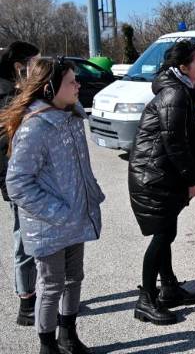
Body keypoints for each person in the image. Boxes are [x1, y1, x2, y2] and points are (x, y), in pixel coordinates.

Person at [3, 57, 104, 354]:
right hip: (49, 225)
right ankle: (47, 346)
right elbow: (18, 183)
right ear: (49, 89)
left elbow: (79, 168)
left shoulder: (71, 117)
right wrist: (58, 213)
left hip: (75, 216)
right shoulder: (35, 128)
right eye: (72, 81)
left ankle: (68, 336)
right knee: (50, 286)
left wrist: (91, 193)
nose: (78, 85)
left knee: (74, 279)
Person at [128, 40, 195, 325]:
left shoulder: (185, 90)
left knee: (167, 231)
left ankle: (168, 288)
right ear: (183, 67)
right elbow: (175, 143)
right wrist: (192, 180)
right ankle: (146, 300)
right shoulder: (175, 94)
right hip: (153, 177)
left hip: (161, 174)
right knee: (163, 235)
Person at [0, 41, 40, 326]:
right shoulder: (7, 98)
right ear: (19, 66)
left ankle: (40, 293)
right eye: (35, 62)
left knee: (33, 237)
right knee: (24, 238)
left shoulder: (19, 91)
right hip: (18, 180)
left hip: (29, 178)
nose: (39, 67)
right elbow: (6, 147)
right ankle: (27, 302)